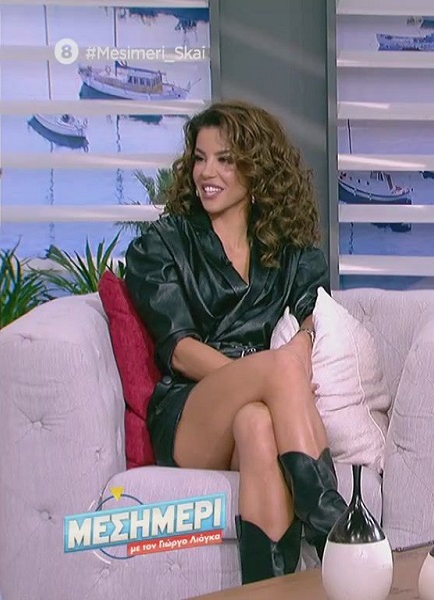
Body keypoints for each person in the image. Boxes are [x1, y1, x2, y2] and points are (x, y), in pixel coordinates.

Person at [124, 100, 346, 584]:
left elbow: (312, 315)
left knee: (256, 423)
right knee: (278, 369)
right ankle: (337, 530)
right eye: (200, 158)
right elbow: (179, 350)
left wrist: (299, 346)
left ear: (256, 168)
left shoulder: (290, 252)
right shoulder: (165, 243)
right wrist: (263, 376)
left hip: (255, 404)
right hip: (191, 412)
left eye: (225, 160)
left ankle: (269, 589)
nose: (207, 172)